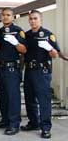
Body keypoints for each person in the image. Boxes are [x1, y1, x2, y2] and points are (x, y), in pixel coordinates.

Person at [21, 10, 61, 139]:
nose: (33, 21)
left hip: (42, 71)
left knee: (44, 100)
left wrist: (49, 48)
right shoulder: (26, 35)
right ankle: (34, 123)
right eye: (31, 19)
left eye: (35, 18)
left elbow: (55, 55)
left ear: (41, 19)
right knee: (29, 98)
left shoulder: (48, 35)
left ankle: (45, 128)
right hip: (29, 70)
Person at [0, 8, 27, 135]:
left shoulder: (18, 31)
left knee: (13, 97)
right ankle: (5, 120)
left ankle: (14, 124)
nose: (5, 17)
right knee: (2, 96)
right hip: (1, 67)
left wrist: (16, 43)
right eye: (3, 15)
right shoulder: (0, 31)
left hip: (12, 68)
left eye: (8, 15)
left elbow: (24, 50)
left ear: (13, 17)